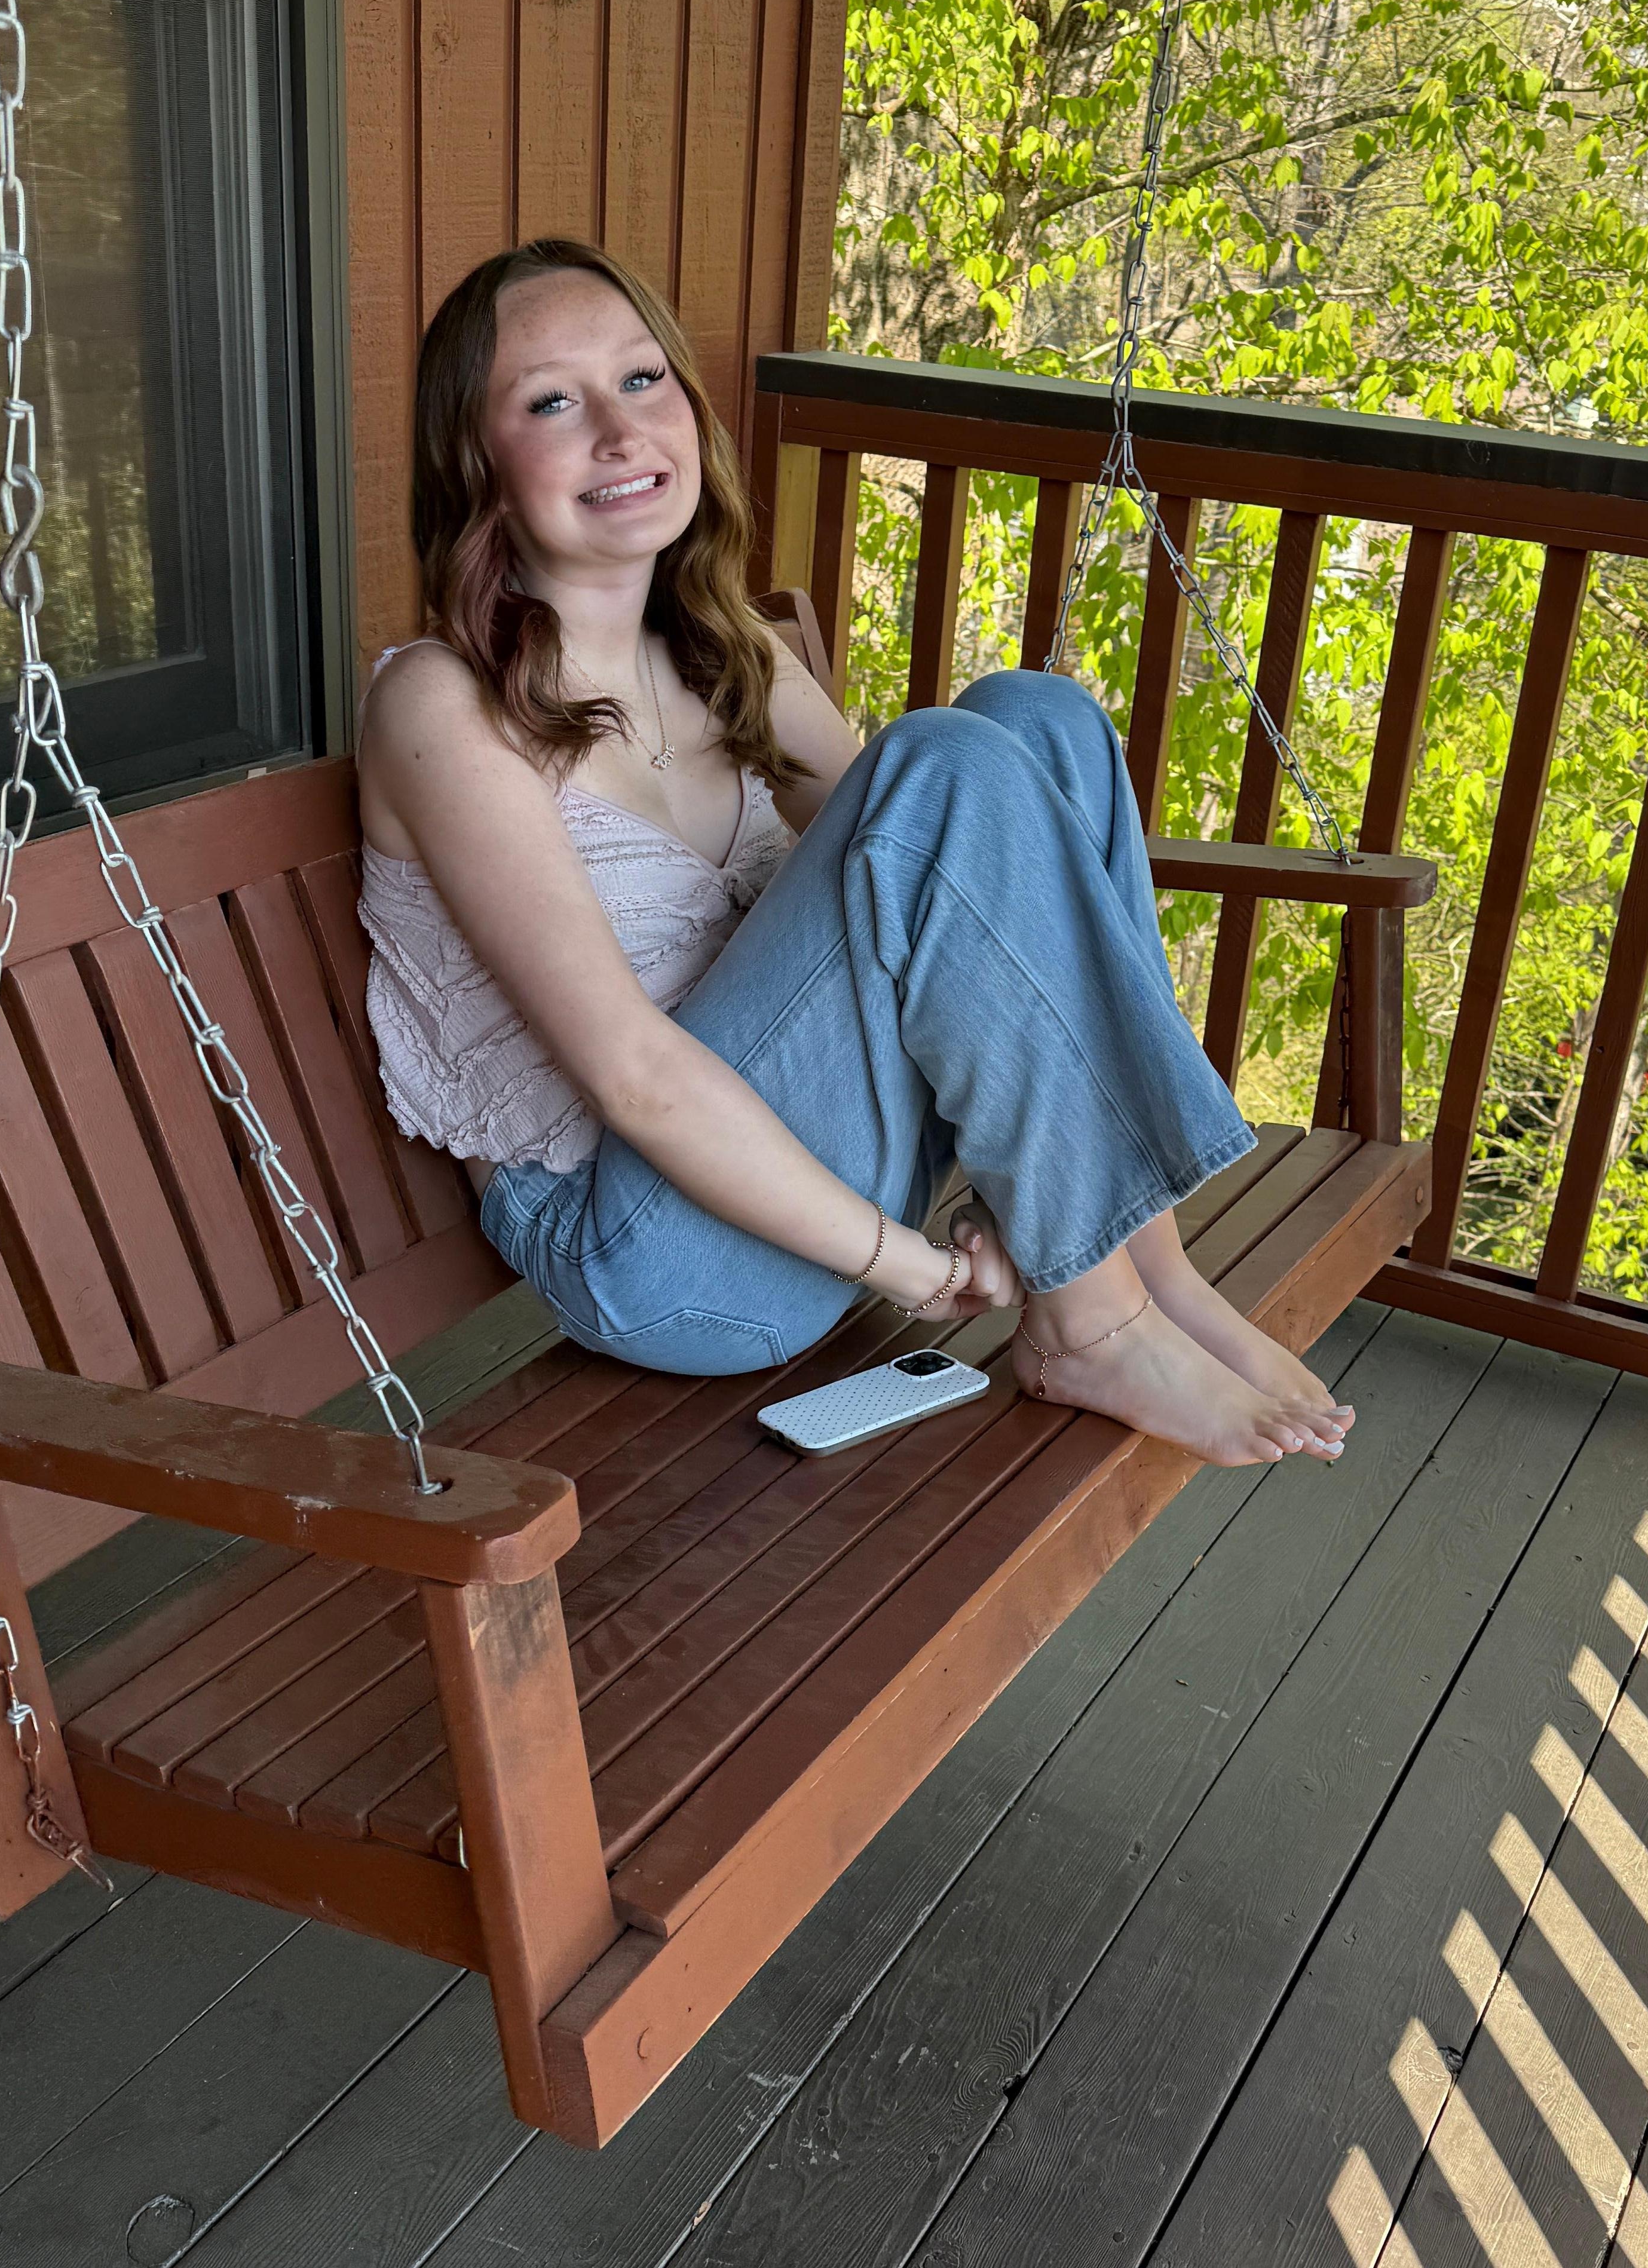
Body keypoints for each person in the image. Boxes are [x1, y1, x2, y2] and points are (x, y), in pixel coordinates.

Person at [356, 238, 1352, 1469]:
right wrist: (921, 1270)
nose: (620, 429)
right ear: (481, 465)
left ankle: (1149, 1271)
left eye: (644, 380)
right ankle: (1094, 1325)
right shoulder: (442, 709)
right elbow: (635, 1079)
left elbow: (949, 888)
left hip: (813, 1175)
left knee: (1036, 724)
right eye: (553, 401)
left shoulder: (729, 656)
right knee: (941, 762)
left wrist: (985, 1202)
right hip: (654, 1248)